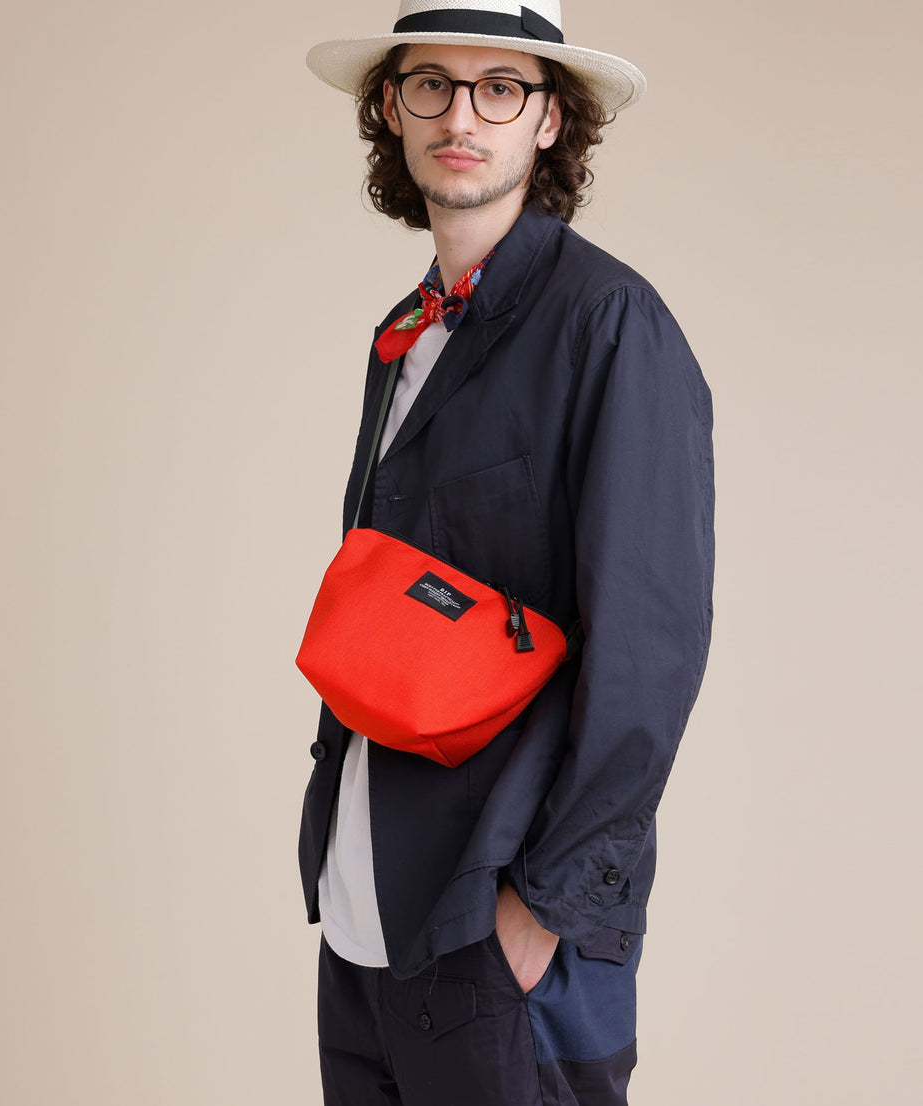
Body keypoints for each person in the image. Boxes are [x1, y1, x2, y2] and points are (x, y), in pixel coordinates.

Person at [297, 3, 714, 1103]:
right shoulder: (404, 334)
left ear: (550, 118)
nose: (462, 116)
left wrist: (542, 908)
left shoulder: (610, 324)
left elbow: (650, 651)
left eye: (501, 87)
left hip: (499, 924)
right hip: (364, 918)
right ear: (392, 108)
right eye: (431, 83)